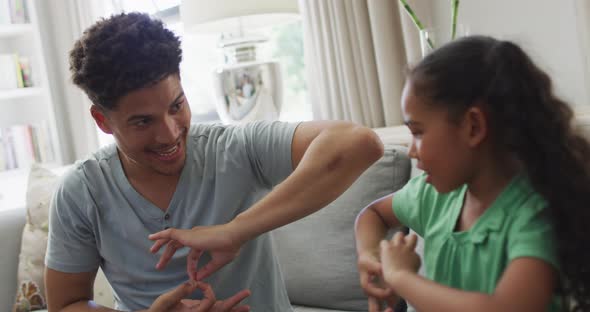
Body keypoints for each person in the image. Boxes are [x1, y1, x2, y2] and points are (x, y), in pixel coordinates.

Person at [44, 12, 384, 312]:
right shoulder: (81, 191)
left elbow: (359, 143)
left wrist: (235, 232)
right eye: (142, 122)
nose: (170, 134)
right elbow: (65, 303)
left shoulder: (233, 148)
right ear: (102, 121)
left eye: (176, 106)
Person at [354, 35, 590, 312]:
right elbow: (373, 215)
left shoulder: (535, 216)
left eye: (418, 132)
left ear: (473, 127)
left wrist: (401, 277)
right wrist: (372, 257)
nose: (411, 151)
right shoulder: (433, 196)